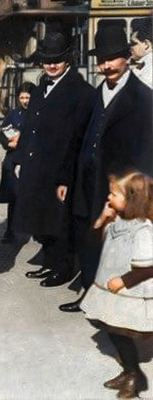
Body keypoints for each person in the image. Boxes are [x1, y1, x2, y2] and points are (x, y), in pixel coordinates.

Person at [61, 22, 153, 312]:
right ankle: (89, 294)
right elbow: (76, 139)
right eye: (101, 60)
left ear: (127, 57)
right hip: (88, 182)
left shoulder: (144, 98)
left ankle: (121, 304)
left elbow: (148, 150)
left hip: (121, 187)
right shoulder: (94, 94)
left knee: (119, 245)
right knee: (89, 239)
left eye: (112, 58)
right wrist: (65, 178)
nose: (106, 65)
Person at [14, 22, 96, 288]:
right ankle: (49, 263)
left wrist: (64, 177)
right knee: (39, 219)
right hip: (35, 167)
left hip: (60, 169)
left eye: (56, 61)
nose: (50, 66)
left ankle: (62, 267)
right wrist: (19, 161)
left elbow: (77, 139)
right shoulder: (39, 89)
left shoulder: (81, 92)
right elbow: (28, 126)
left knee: (59, 222)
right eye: (46, 61)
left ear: (68, 59)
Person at [80, 171, 153, 398]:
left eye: (113, 194)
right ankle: (129, 371)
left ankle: (133, 375)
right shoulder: (118, 220)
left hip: (128, 292)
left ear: (132, 199)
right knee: (112, 330)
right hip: (112, 290)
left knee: (121, 332)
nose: (108, 198)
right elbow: (94, 244)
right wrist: (102, 219)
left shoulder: (142, 230)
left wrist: (123, 281)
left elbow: (149, 267)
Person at [0, 81, 34, 244]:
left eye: (28, 97)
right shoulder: (13, 113)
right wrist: (7, 143)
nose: (25, 101)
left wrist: (23, 141)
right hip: (13, 156)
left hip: (29, 158)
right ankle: (10, 230)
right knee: (12, 195)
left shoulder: (37, 114)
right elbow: (2, 133)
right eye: (22, 97)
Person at [129, 17, 153, 88]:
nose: (130, 48)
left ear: (146, 44)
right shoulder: (144, 63)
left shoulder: (149, 65)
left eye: (133, 43)